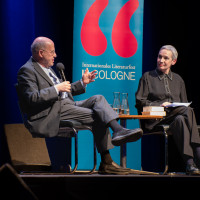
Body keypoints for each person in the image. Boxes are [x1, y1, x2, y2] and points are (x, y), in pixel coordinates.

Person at [17, 36, 143, 175]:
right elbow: (32, 98)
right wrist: (56, 89)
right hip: (51, 112)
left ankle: (118, 130)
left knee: (98, 98)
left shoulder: (48, 68)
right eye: (52, 52)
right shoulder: (27, 70)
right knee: (97, 115)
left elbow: (65, 90)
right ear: (41, 53)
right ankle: (107, 162)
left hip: (66, 105)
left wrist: (82, 83)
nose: (55, 55)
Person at [135, 45, 200, 175]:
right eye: (160, 57)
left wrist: (175, 106)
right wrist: (160, 104)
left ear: (173, 61)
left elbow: (183, 104)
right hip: (155, 120)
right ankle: (198, 152)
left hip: (175, 118)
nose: (161, 60)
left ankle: (190, 164)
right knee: (188, 111)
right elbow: (140, 102)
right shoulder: (147, 77)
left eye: (166, 58)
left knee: (182, 117)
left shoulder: (178, 80)